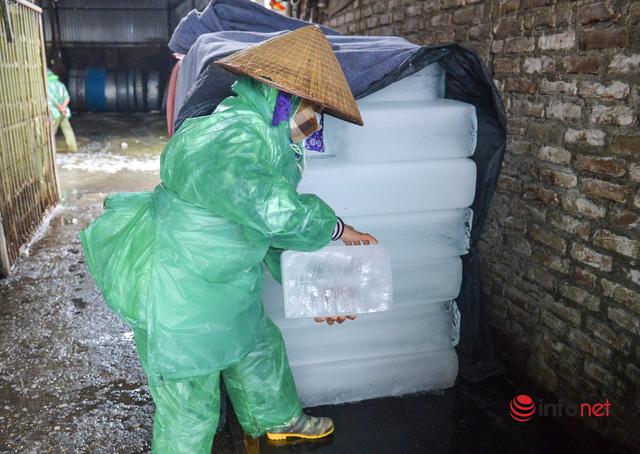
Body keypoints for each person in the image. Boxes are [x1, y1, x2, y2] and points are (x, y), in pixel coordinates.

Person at [81, 26, 377, 453]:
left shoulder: (268, 140)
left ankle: (279, 419)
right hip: (180, 292)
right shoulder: (230, 133)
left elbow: (265, 233)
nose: (314, 120)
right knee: (191, 404)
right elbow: (267, 208)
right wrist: (337, 228)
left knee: (258, 348)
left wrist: (314, 289)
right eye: (311, 106)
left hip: (226, 283)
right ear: (281, 96)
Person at [47, 69, 78, 152]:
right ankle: (73, 149)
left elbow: (51, 98)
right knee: (68, 131)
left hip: (54, 113)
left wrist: (59, 107)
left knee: (50, 132)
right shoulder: (61, 84)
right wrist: (63, 107)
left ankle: (49, 151)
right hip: (64, 112)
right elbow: (67, 97)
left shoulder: (47, 85)